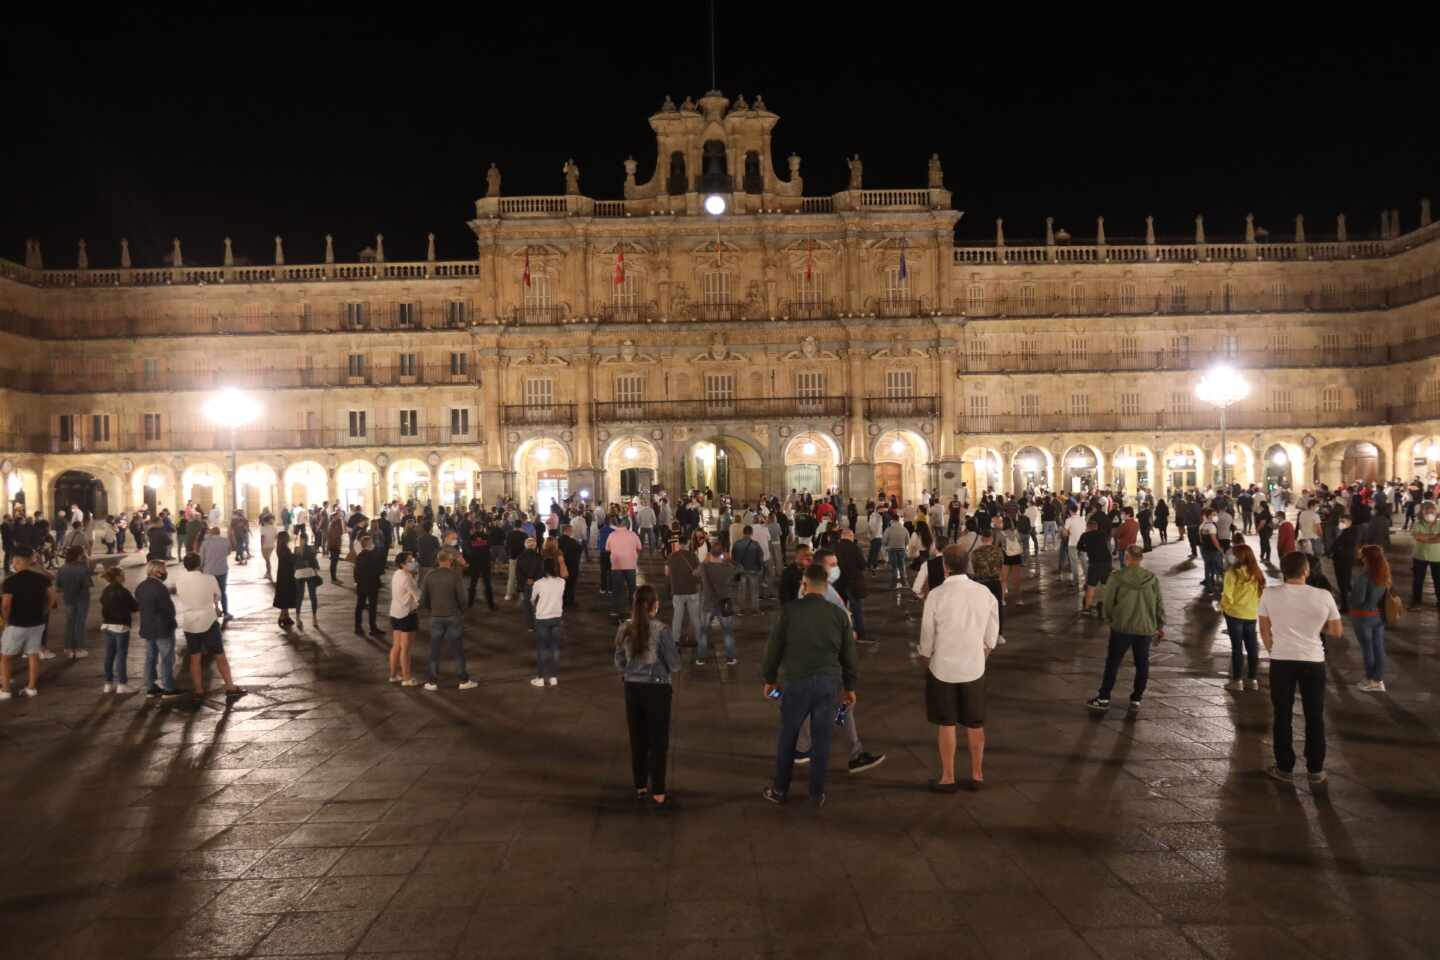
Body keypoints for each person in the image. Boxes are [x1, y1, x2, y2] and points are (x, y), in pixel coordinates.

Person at [761, 562, 859, 806]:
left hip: (796, 683)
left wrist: (770, 679)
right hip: (828, 685)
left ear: (804, 585)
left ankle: (780, 790)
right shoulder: (839, 615)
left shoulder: (789, 611)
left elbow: (773, 649)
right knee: (822, 738)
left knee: (788, 736)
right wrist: (850, 687)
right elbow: (849, 656)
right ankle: (816, 793)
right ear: (826, 586)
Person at [918, 544, 999, 791]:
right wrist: (983, 652)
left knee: (947, 723)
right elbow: (992, 635)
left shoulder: (936, 594)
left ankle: (948, 777)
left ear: (945, 567)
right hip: (974, 667)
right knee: (975, 723)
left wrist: (925, 656)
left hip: (943, 667)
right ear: (968, 565)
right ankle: (977, 774)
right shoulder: (984, 593)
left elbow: (927, 635)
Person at [1259, 551, 1341, 785]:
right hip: (1313, 660)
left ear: (1284, 571)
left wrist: (1273, 649)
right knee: (1314, 714)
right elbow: (1336, 631)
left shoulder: (1269, 594)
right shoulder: (1323, 595)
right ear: (1306, 571)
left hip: (1282, 660)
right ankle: (1315, 769)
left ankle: (1285, 767)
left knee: (1282, 714)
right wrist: (1314, 626)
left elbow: (1264, 629)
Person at [615, 583, 680, 810]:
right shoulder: (662, 630)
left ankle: (640, 785)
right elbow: (674, 664)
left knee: (638, 738)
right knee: (658, 741)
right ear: (655, 606)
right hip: (658, 688)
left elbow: (619, 661)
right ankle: (659, 791)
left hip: (632, 688)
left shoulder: (624, 628)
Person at [1086, 545, 1165, 712]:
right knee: (1142, 663)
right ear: (1141, 559)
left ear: (1126, 558)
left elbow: (1108, 602)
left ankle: (1104, 697)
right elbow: (1159, 603)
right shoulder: (1151, 578)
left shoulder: (1116, 577)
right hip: (1145, 627)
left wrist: (1109, 619)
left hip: (1122, 626)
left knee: (1113, 663)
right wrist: (1160, 624)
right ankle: (1136, 699)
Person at [174, 553, 246, 700]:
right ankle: (230, 686)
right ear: (199, 564)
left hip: (190, 622)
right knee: (220, 655)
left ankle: (199, 690)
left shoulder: (179, 581)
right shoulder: (209, 578)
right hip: (208, 619)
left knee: (195, 658)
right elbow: (217, 596)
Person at [1, 548, 54, 698]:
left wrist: (6, 621)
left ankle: (5, 690)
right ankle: (31, 687)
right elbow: (52, 596)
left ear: (17, 562)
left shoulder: (10, 582)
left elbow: (6, 605)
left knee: (5, 657)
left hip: (16, 623)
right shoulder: (42, 578)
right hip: (37, 622)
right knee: (32, 654)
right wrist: (45, 611)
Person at [420, 548, 475, 691]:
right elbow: (462, 598)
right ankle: (463, 680)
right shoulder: (454, 576)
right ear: (450, 561)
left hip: (436, 616)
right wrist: (463, 612)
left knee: (434, 650)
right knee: (457, 649)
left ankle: (432, 682)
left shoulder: (429, 575)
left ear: (438, 560)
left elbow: (423, 599)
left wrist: (431, 611)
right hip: (453, 616)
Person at [1220, 544, 1264, 692]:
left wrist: (1223, 608)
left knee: (1237, 648)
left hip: (1234, 614)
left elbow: (1227, 595)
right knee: (1252, 647)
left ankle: (1237, 680)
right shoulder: (1256, 572)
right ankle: (1252, 679)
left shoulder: (1231, 573)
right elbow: (1260, 594)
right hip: (1251, 614)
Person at [135, 559, 182, 699]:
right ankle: (168, 688)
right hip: (162, 628)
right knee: (167, 658)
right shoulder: (160, 588)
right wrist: (172, 621)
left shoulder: (141, 587)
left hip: (148, 628)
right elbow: (168, 609)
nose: (165, 573)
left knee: (150, 658)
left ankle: (151, 687)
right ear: (156, 571)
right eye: (164, 570)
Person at [1350, 544, 1391, 692]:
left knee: (1367, 649)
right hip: (1379, 616)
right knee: (1378, 648)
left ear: (1368, 559)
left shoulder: (1364, 577)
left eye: (1363, 556)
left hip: (1363, 618)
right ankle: (1378, 679)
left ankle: (1370, 680)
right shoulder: (1384, 573)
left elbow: (1358, 600)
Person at [99, 565, 138, 693]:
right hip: (121, 626)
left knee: (109, 655)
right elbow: (135, 607)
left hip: (107, 625)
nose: (124, 576)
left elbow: (102, 602)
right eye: (122, 574)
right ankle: (122, 684)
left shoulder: (106, 590)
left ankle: (108, 683)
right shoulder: (123, 591)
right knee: (121, 655)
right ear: (117, 577)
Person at [696, 544, 737, 666]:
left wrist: (705, 561)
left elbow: (694, 573)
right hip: (724, 603)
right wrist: (730, 560)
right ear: (722, 554)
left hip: (708, 603)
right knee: (727, 631)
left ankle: (701, 658)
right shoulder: (728, 567)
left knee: (703, 631)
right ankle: (730, 657)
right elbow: (740, 568)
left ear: (710, 554)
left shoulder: (704, 567)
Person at [530, 557, 566, 687]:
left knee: (542, 648)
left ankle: (540, 678)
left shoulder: (539, 583)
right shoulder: (562, 582)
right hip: (557, 616)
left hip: (542, 618)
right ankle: (553, 677)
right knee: (555, 648)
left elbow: (532, 599)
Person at [387, 551, 421, 686]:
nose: (413, 562)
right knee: (406, 649)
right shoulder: (407, 578)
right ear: (402, 564)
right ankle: (407, 678)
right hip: (407, 615)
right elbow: (418, 596)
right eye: (409, 560)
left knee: (396, 646)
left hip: (395, 613)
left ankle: (393, 675)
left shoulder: (397, 574)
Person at [55, 546, 93, 658]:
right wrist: (87, 562)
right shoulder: (83, 569)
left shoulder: (62, 568)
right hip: (82, 599)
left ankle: (68, 648)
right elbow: (87, 585)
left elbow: (58, 588)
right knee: (80, 623)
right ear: (80, 555)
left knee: (69, 623)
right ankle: (79, 648)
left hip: (68, 598)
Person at [665, 536, 703, 649]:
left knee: (677, 617)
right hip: (692, 590)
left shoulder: (671, 556)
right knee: (695, 617)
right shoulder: (693, 556)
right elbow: (699, 572)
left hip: (677, 590)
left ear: (678, 544)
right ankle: (699, 639)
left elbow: (666, 572)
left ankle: (675, 640)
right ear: (687, 543)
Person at [606, 519, 642, 618]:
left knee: (617, 589)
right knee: (632, 589)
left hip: (616, 565)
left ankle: (615, 610)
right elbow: (639, 547)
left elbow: (607, 548)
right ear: (628, 526)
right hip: (630, 564)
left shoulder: (612, 535)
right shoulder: (633, 535)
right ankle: (634, 610)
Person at [1409, 500, 1440, 609]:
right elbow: (1417, 536)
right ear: (1423, 513)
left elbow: (1438, 539)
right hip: (1420, 556)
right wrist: (1433, 537)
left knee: (1438, 580)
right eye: (1427, 512)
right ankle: (1416, 601)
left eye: (1432, 512)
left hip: (1437, 557)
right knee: (1418, 580)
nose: (1430, 514)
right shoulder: (1418, 523)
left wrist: (1425, 538)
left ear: (1436, 512)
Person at [353, 535, 385, 637]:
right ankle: (372, 628)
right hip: (372, 584)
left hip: (362, 585)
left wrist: (358, 582)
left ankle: (358, 627)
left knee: (360, 606)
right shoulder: (374, 556)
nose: (373, 544)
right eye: (371, 542)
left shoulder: (360, 556)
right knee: (372, 607)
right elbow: (379, 570)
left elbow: (356, 572)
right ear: (368, 544)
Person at [199, 526, 233, 621]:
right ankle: (225, 612)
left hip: (208, 571)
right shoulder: (225, 541)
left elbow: (201, 557)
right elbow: (229, 552)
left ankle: (213, 610)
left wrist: (201, 568)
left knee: (210, 592)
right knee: (222, 591)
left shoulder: (205, 543)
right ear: (219, 532)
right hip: (222, 570)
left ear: (211, 533)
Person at [259, 514, 278, 580]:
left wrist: (261, 546)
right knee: (267, 560)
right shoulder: (274, 527)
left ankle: (269, 573)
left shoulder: (263, 528)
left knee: (267, 560)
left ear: (265, 521)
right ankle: (268, 572)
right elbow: (276, 537)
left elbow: (262, 538)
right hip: (271, 545)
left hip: (265, 546)